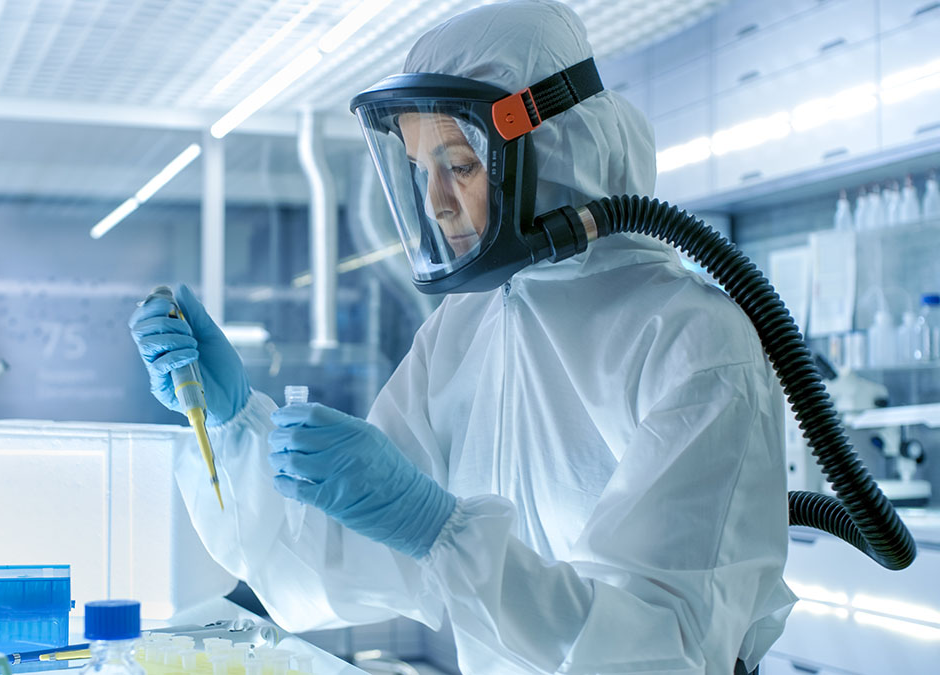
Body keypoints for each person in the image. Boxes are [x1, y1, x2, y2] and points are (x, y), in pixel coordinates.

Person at [130, 2, 794, 673]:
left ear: (551, 149)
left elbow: (659, 650)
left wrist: (439, 528)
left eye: (461, 165)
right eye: (422, 170)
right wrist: (233, 424)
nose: (436, 202)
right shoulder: (468, 325)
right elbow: (340, 564)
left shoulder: (693, 342)